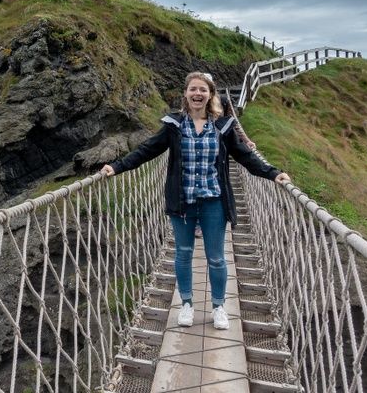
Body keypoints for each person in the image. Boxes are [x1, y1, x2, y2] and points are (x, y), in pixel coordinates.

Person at [100, 72, 290, 330]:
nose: (197, 94)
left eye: (203, 89)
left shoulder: (222, 127)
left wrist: (273, 173)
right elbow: (147, 150)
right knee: (183, 254)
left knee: (216, 258)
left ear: (210, 94)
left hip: (214, 201)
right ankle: (187, 304)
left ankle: (219, 307)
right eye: (193, 89)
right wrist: (117, 167)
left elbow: (246, 156)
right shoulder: (174, 126)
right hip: (183, 200)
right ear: (186, 94)